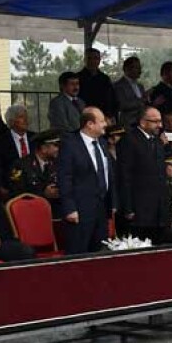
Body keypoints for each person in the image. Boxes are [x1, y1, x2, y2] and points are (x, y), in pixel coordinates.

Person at [56, 108, 117, 255]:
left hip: (101, 210)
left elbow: (109, 174)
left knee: (100, 254)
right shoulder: (70, 145)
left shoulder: (102, 143)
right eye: (101, 121)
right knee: (79, 254)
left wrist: (113, 202)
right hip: (80, 211)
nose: (105, 124)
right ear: (90, 124)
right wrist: (70, 208)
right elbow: (65, 178)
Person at [116, 107, 169, 242]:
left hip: (157, 211)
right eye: (155, 121)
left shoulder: (157, 142)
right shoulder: (129, 140)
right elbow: (124, 176)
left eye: (160, 121)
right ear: (143, 122)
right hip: (139, 211)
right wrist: (128, 208)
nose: (160, 125)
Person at [8, 129, 62, 214]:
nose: (58, 149)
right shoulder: (21, 165)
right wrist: (43, 193)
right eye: (55, 145)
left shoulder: (57, 163)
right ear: (44, 148)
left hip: (54, 212)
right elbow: (16, 193)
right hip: (29, 213)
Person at [0, 104, 34, 176]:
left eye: (26, 116)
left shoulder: (35, 138)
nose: (26, 119)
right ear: (11, 121)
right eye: (21, 117)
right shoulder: (0, 142)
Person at [78, 48, 116, 120]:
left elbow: (111, 99)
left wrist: (110, 116)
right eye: (89, 58)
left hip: (103, 117)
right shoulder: (78, 78)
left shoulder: (105, 79)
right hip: (84, 117)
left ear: (99, 60)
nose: (92, 61)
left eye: (95, 58)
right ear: (84, 60)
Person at [113, 56, 147, 128]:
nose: (140, 70)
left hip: (142, 124)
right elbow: (122, 105)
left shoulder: (140, 86)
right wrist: (141, 101)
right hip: (128, 125)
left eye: (140, 67)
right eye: (137, 67)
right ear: (126, 69)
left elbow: (144, 103)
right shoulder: (118, 86)